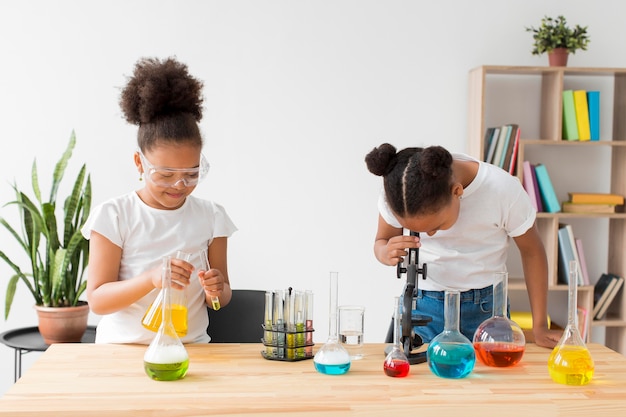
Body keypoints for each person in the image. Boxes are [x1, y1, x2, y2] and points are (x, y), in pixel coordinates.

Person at [81, 57, 237, 344]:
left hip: (190, 350)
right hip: (122, 350)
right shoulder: (115, 215)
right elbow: (98, 301)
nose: (179, 185)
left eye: (191, 174)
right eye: (165, 174)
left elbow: (219, 300)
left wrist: (217, 291)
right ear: (139, 163)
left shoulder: (212, 217)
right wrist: (151, 279)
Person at [365, 143, 561, 349]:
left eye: (436, 226)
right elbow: (381, 242)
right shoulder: (398, 193)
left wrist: (539, 326)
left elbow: (532, 252)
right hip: (424, 307)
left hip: (488, 310)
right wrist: (385, 252)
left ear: (457, 191)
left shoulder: (502, 190)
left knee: (494, 379)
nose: (429, 235)